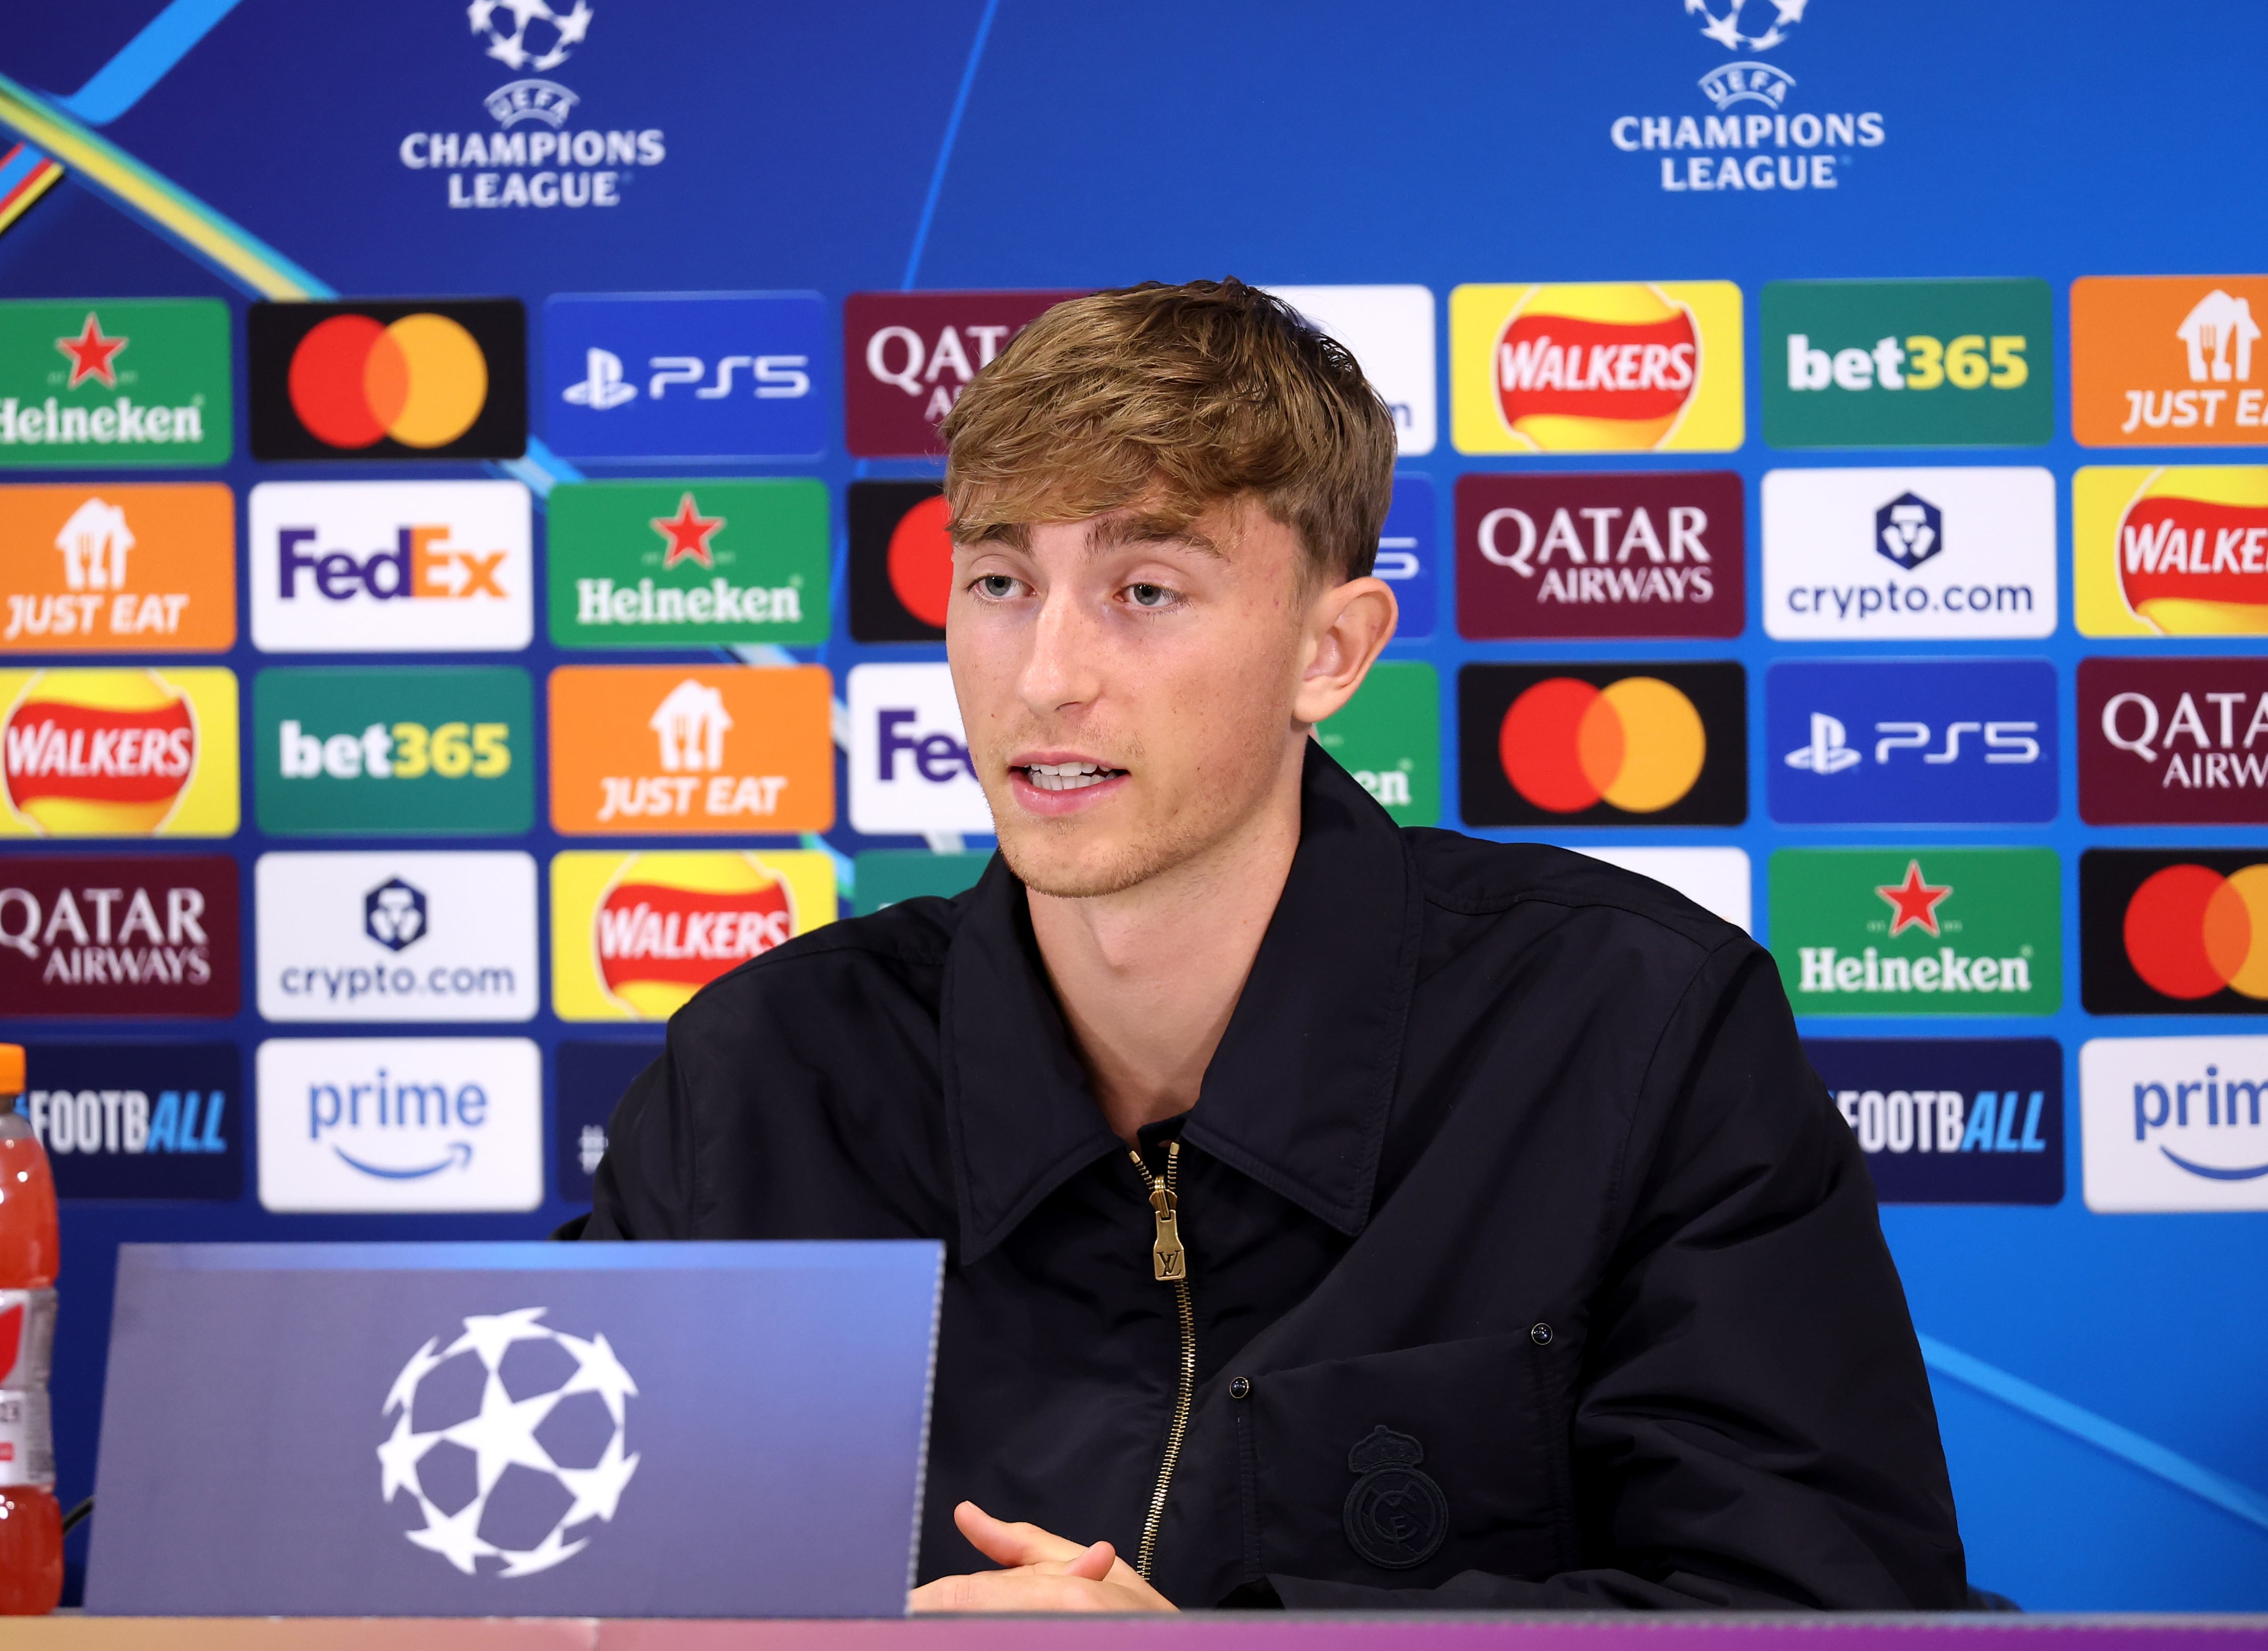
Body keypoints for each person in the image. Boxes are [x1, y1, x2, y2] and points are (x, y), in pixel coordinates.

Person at [571, 279, 1969, 1611]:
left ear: (1333, 651)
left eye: (1148, 591)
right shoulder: (755, 1079)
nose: (1047, 676)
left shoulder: (1636, 1029)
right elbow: (545, 1583)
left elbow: (1823, 1611)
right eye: (1000, 583)